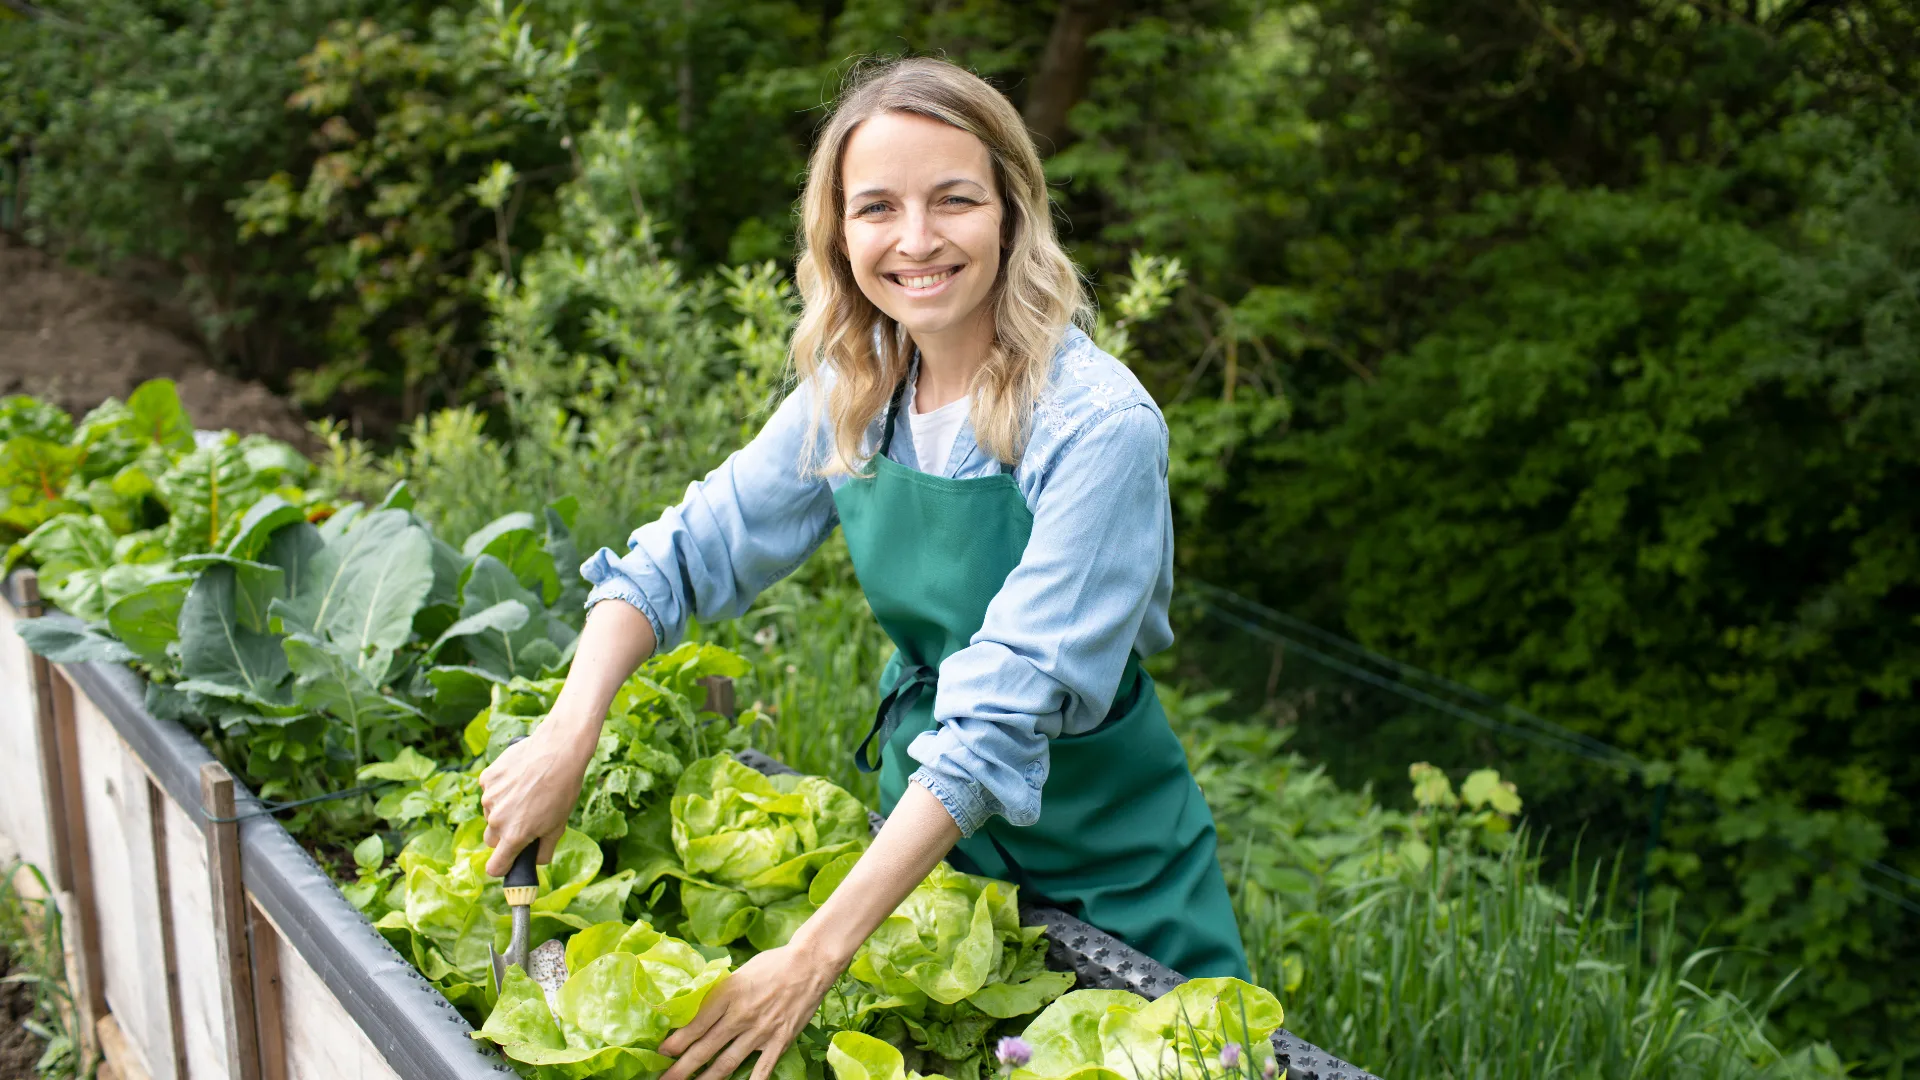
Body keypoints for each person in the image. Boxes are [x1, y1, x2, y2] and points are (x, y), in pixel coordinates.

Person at [477, 55, 1249, 1080]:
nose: (917, 239)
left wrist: (813, 955)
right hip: (925, 863)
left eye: (954, 200)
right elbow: (688, 554)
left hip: (1113, 861)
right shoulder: (858, 385)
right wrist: (567, 734)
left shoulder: (1098, 426)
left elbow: (996, 725)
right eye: (877, 206)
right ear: (838, 232)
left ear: (1012, 213)